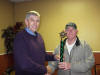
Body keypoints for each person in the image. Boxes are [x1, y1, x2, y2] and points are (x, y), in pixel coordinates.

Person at [13, 10, 57, 75]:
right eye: (32, 20)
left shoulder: (39, 37)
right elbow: (24, 64)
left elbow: (43, 55)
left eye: (37, 21)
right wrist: (45, 69)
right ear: (26, 21)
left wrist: (54, 57)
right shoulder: (20, 37)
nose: (35, 23)